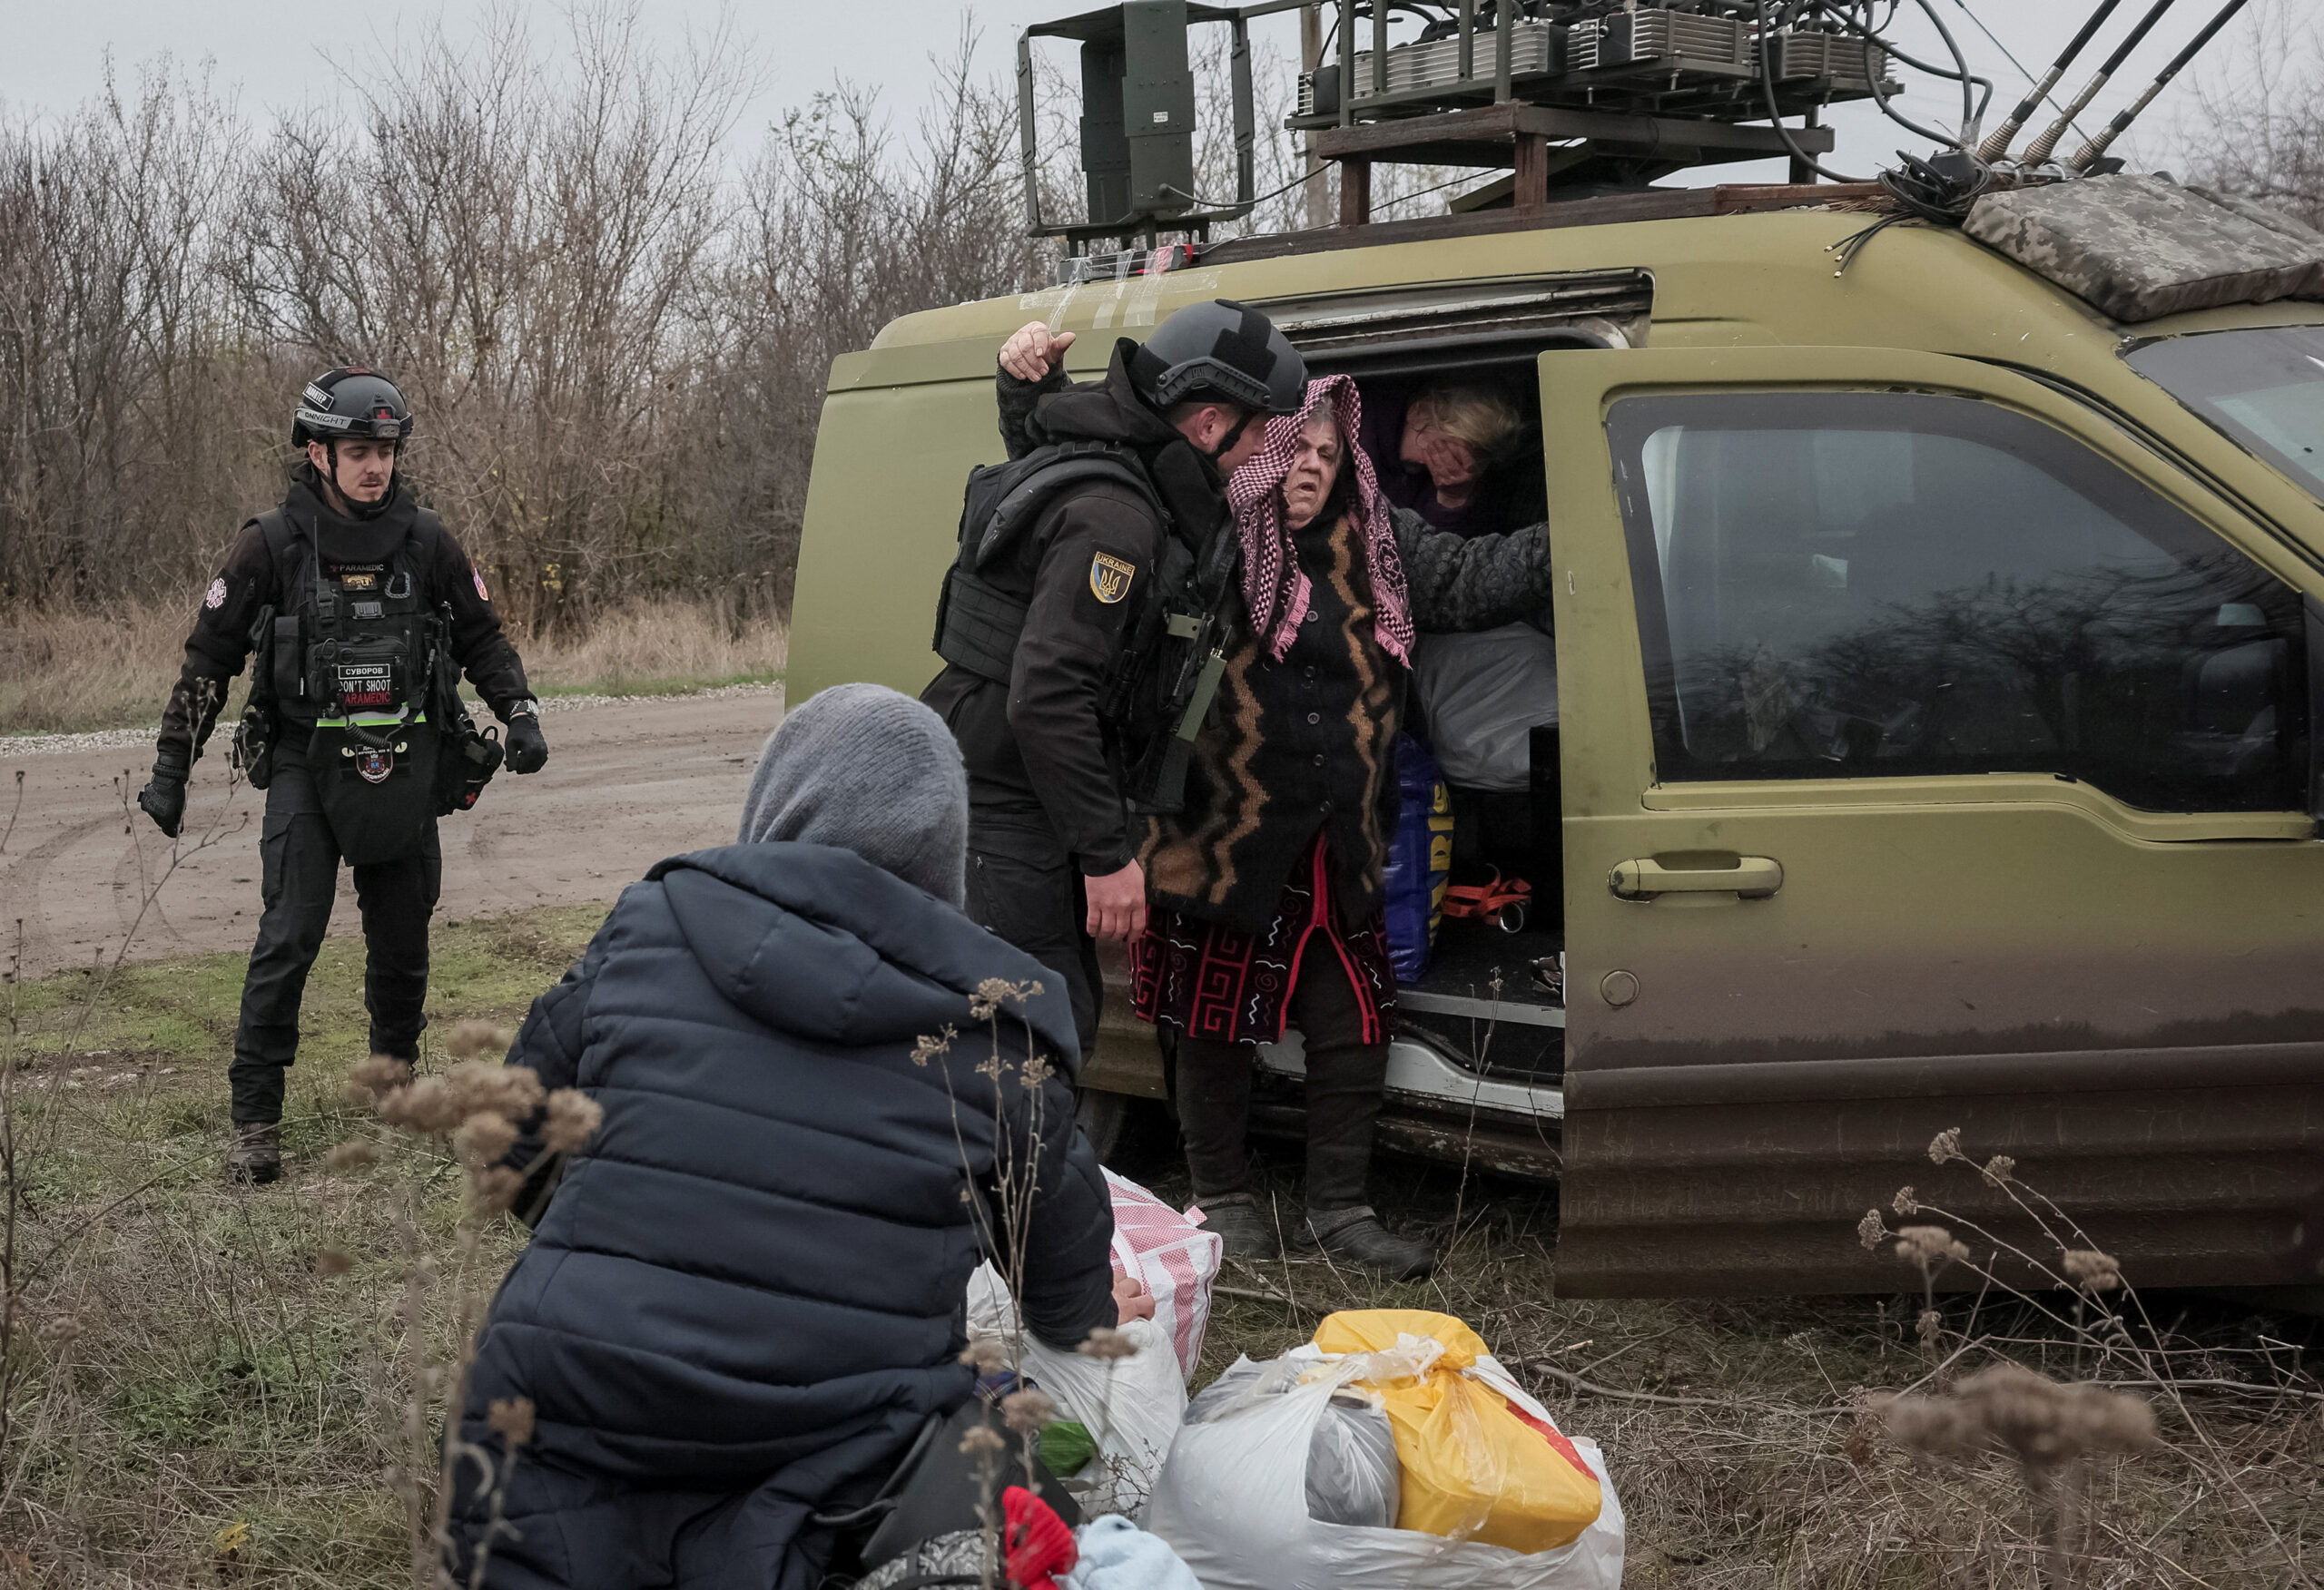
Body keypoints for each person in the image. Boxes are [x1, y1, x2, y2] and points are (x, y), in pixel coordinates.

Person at [446, 683, 1137, 1590]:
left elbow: (507, 1147)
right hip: (833, 1474)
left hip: (552, 1429)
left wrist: (623, 1223)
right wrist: (1101, 1314)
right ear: (947, 857)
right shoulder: (1001, 1028)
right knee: (1014, 1478)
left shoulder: (650, 926)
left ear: (771, 810)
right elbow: (1066, 1298)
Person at [1128, 376, 1560, 1280]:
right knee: (1213, 1018)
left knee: (1353, 1019)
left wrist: (1590, 527)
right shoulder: (1208, 538)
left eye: (1329, 453)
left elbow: (1475, 579)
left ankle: (1340, 1210)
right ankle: (1226, 1200)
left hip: (1345, 827)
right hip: (1226, 828)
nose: (1311, 468)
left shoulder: (1381, 539)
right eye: (1295, 448)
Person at [135, 368, 547, 1184]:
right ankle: (255, 1122)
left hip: (404, 761)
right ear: (318, 453)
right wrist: (170, 765)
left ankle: (395, 1091)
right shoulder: (271, 543)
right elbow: (209, 658)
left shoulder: (427, 541)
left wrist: (521, 710)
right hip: (303, 763)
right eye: (358, 451)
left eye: (385, 451)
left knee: (403, 941)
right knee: (289, 935)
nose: (375, 467)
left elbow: (482, 637)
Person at [923, 299, 1306, 1056]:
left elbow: (1057, 436)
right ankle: (1011, 1175)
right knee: (1032, 1034)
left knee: (1040, 1019)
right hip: (1009, 807)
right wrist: (1105, 856)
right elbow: (1049, 695)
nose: (1268, 451)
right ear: (1207, 423)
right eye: (1260, 428)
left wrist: (1027, 384)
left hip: (1012, 795)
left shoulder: (1126, 483)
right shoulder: (1116, 520)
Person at [1383, 384, 1544, 538]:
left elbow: (1440, 556)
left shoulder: (1461, 480)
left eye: (1458, 457)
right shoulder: (1361, 435)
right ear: (1419, 413)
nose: (1442, 462)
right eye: (1442, 445)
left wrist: (1452, 499)